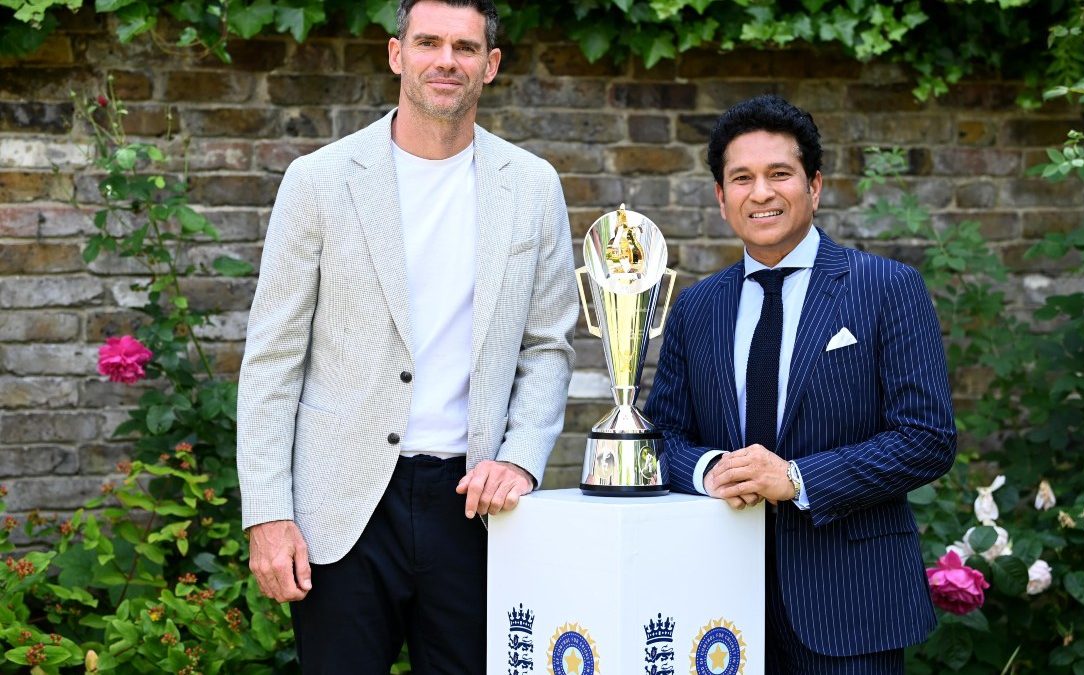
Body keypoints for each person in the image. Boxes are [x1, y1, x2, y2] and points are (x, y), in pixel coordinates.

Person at [235, 0, 576, 672]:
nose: (446, 61)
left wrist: (522, 456)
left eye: (465, 47)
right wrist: (268, 512)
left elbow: (549, 345)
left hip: (473, 504)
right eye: (428, 43)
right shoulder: (320, 180)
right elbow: (272, 359)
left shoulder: (533, 186)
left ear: (491, 66)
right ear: (397, 54)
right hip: (343, 508)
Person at [644, 94, 956, 674]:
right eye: (741, 178)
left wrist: (795, 479)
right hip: (715, 605)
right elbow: (660, 436)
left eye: (778, 174)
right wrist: (709, 469)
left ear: (813, 186)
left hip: (851, 605)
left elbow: (928, 438)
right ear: (721, 197)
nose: (760, 193)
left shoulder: (888, 288)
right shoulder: (697, 307)